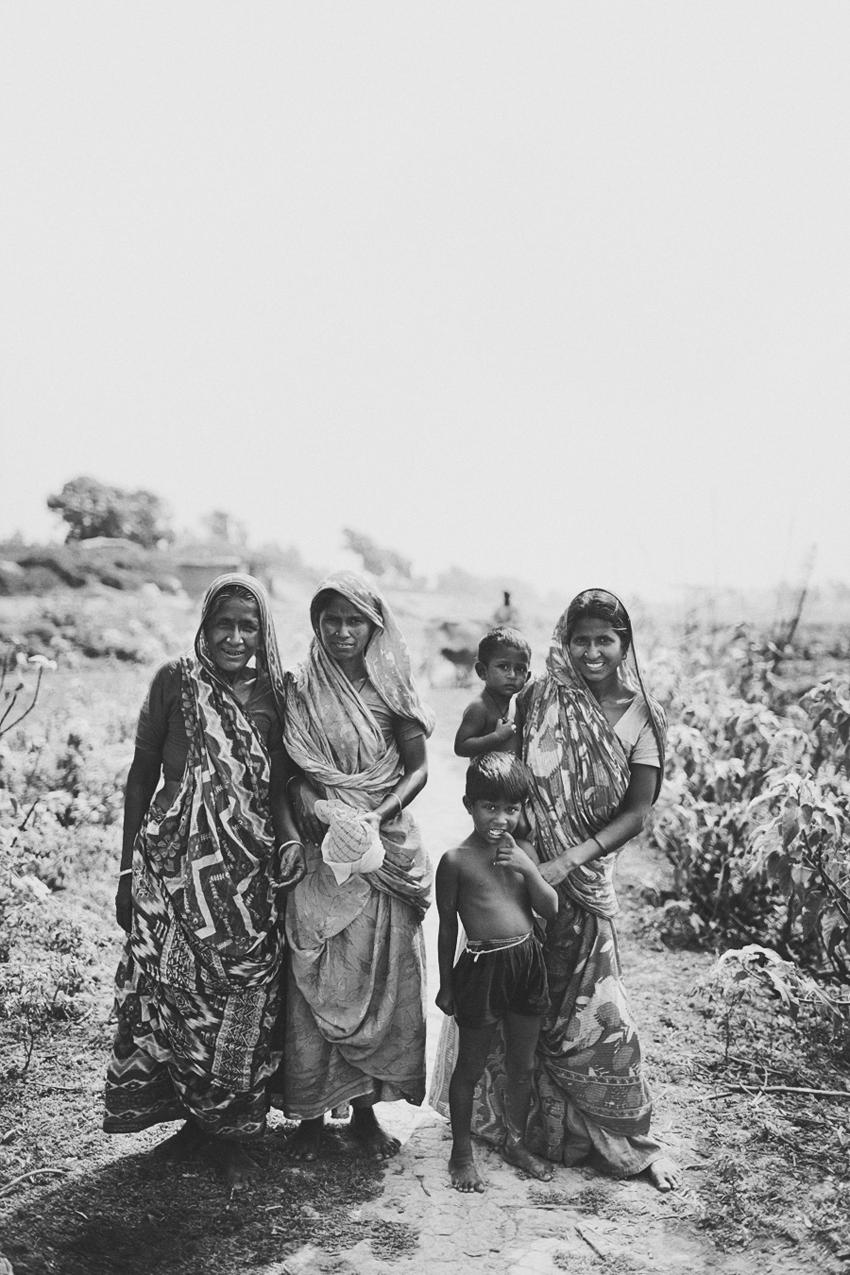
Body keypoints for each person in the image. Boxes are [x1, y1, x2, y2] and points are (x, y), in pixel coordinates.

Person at [431, 588, 681, 1191]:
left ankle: (629, 1142)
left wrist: (574, 857)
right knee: (514, 1014)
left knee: (597, 1017)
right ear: (564, 642)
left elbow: (637, 811)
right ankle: (523, 1133)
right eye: (581, 639)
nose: (592, 651)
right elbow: (498, 774)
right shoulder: (541, 698)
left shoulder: (641, 713)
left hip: (583, 883)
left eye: (606, 639)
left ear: (625, 644)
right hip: (518, 878)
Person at [104, 574, 304, 1185]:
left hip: (246, 876)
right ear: (205, 627)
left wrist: (291, 839)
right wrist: (127, 867)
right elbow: (141, 776)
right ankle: (195, 1123)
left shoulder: (279, 691)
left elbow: (281, 787)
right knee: (174, 996)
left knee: (246, 995)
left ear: (263, 629)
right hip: (170, 869)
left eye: (248, 626)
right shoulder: (175, 681)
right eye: (224, 624)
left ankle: (234, 1132)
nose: (236, 638)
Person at [273, 572, 433, 1161]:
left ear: (375, 626)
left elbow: (418, 768)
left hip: (381, 848)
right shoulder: (300, 686)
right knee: (316, 974)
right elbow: (286, 774)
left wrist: (374, 815)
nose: (342, 631)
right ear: (317, 623)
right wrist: (317, 810)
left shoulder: (391, 688)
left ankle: (366, 1113)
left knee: (377, 976)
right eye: (332, 620)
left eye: (355, 621)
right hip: (323, 850)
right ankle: (311, 1115)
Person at [436, 754, 558, 1193]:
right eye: (490, 807)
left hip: (527, 964)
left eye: (512, 808)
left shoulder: (523, 853)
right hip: (482, 968)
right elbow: (448, 926)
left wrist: (528, 868)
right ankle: (461, 1153)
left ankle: (516, 1142)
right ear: (469, 804)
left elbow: (550, 909)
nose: (501, 818)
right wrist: (447, 984)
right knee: (469, 1065)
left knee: (522, 1065)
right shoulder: (455, 860)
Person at [454, 628, 531, 758]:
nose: (512, 675)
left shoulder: (517, 703)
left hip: (515, 776)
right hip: (486, 777)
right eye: (504, 667)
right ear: (482, 671)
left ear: (527, 677)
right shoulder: (479, 707)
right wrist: (496, 737)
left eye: (520, 669)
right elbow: (461, 747)